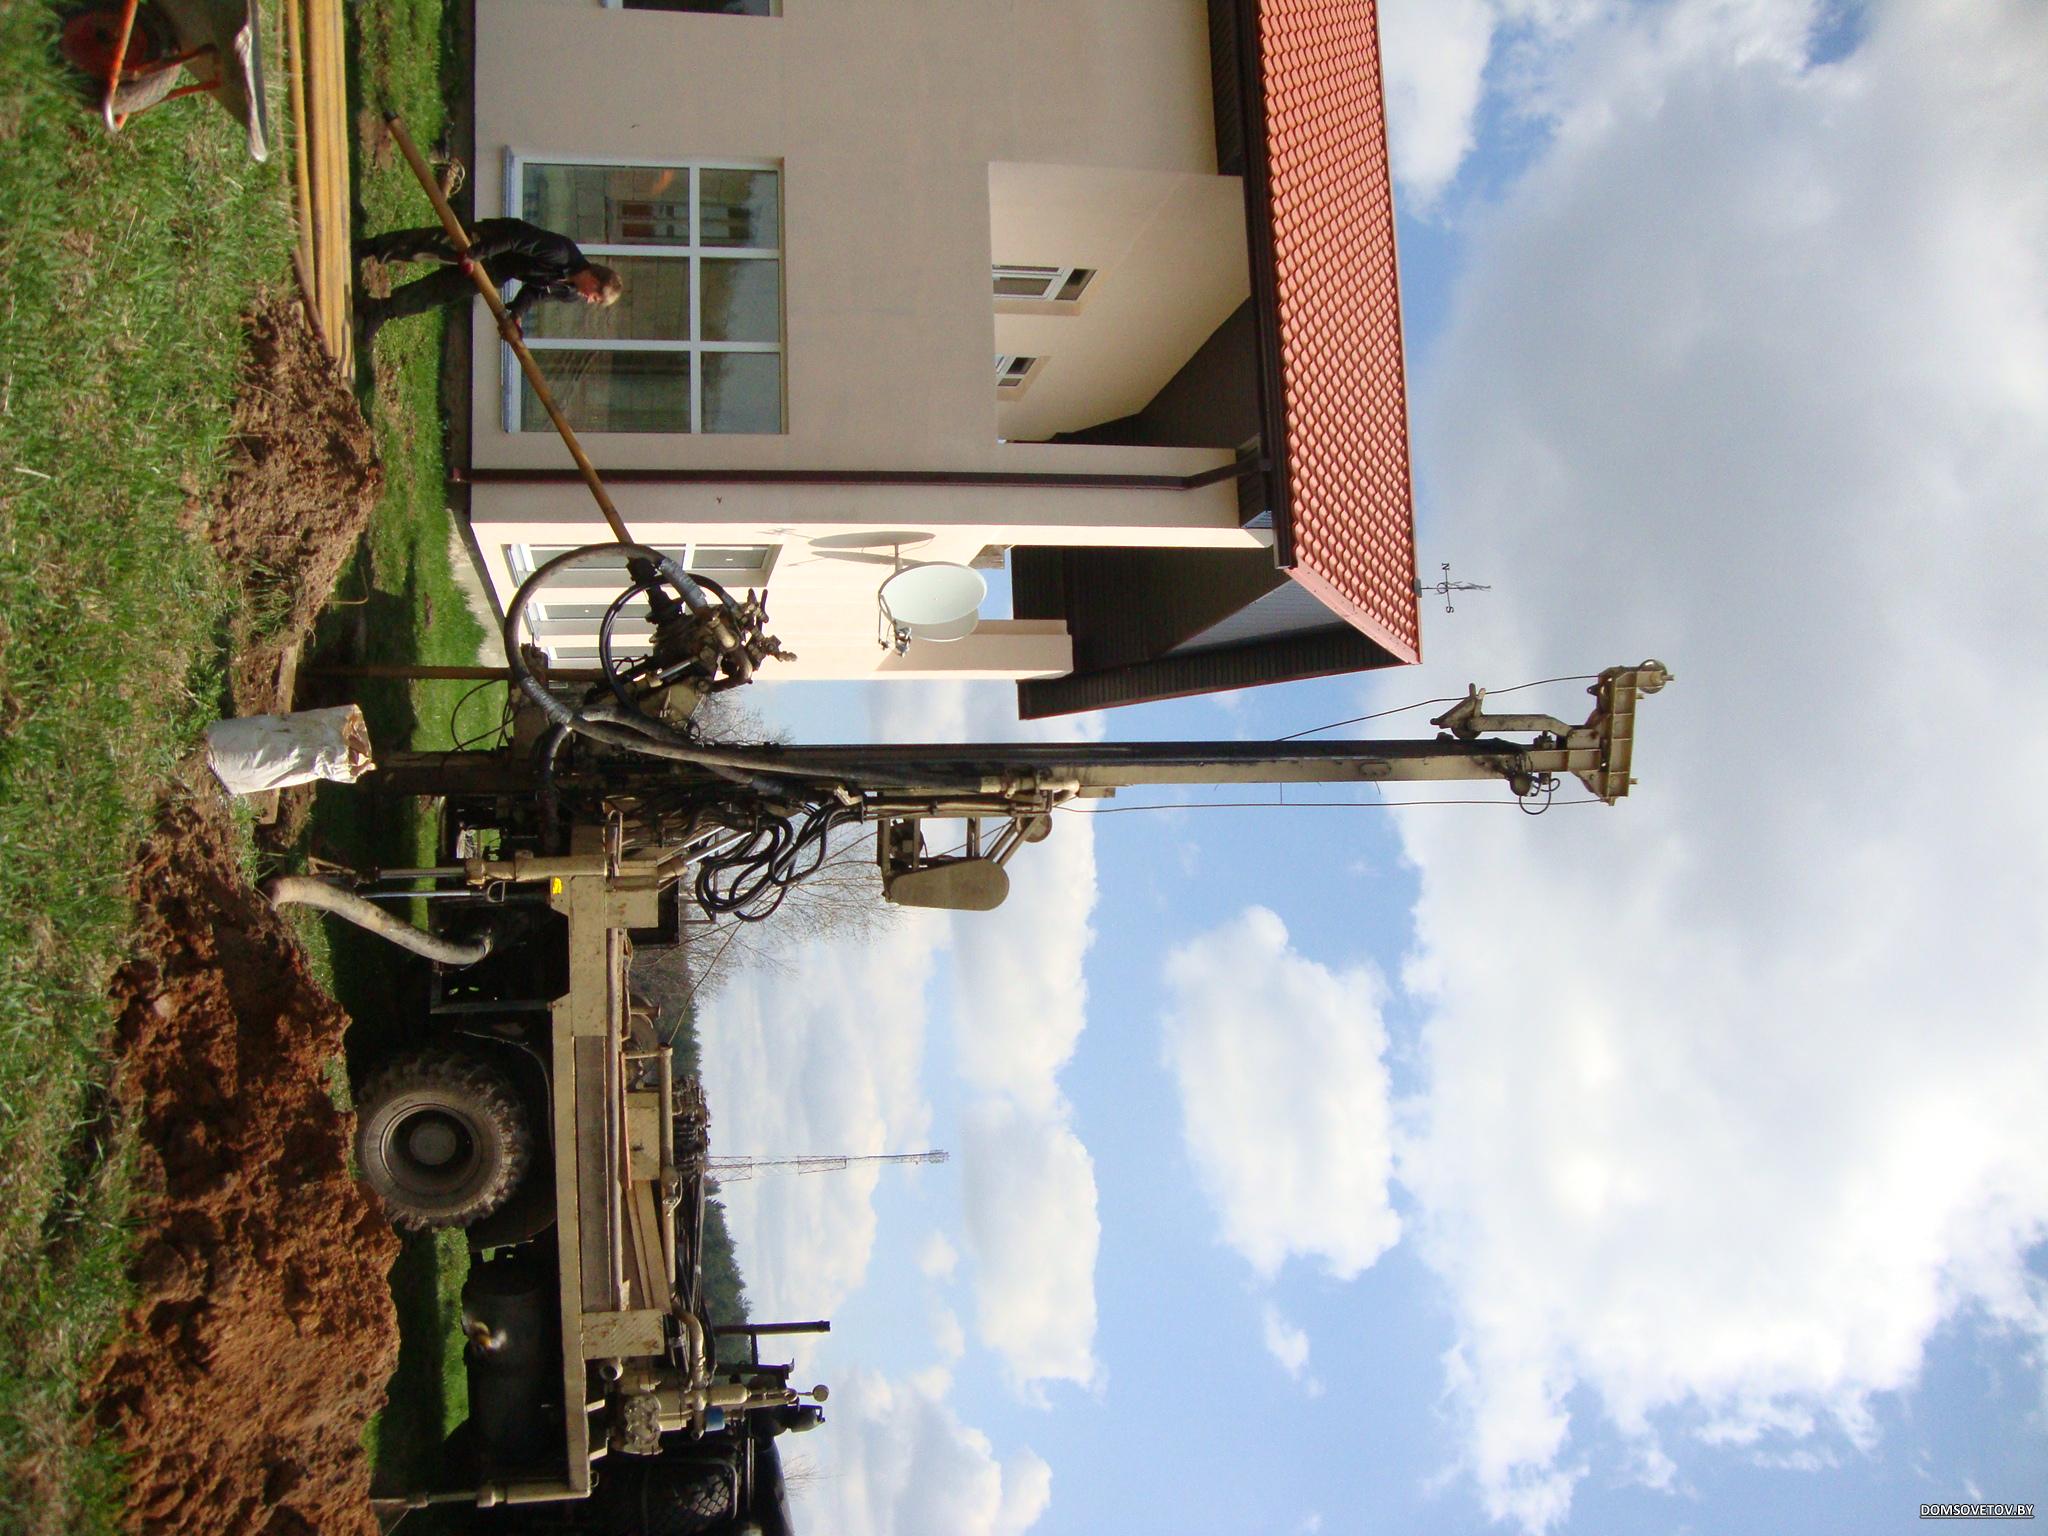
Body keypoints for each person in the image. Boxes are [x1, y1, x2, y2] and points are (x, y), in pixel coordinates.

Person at [354, 217, 622, 345]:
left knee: (445, 290)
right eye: (596, 296)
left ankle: (381, 310)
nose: (590, 300)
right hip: (493, 240)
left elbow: (535, 292)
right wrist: (474, 253)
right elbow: (516, 240)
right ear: (594, 279)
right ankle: (367, 248)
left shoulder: (570, 292)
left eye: (596, 301)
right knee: (432, 245)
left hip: (501, 268)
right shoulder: (561, 252)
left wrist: (516, 315)